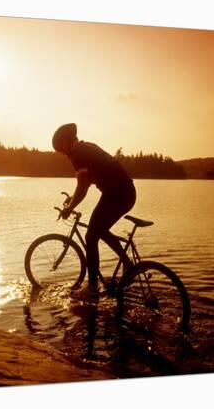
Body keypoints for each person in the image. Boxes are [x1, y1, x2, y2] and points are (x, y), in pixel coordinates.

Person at [52, 123, 136, 301]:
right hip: (126, 192)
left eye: (60, 149)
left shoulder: (77, 154)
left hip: (117, 193)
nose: (62, 153)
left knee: (91, 237)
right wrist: (72, 199)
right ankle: (128, 264)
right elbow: (85, 182)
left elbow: (83, 187)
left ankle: (92, 289)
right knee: (99, 230)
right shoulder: (86, 147)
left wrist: (69, 209)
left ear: (65, 142)